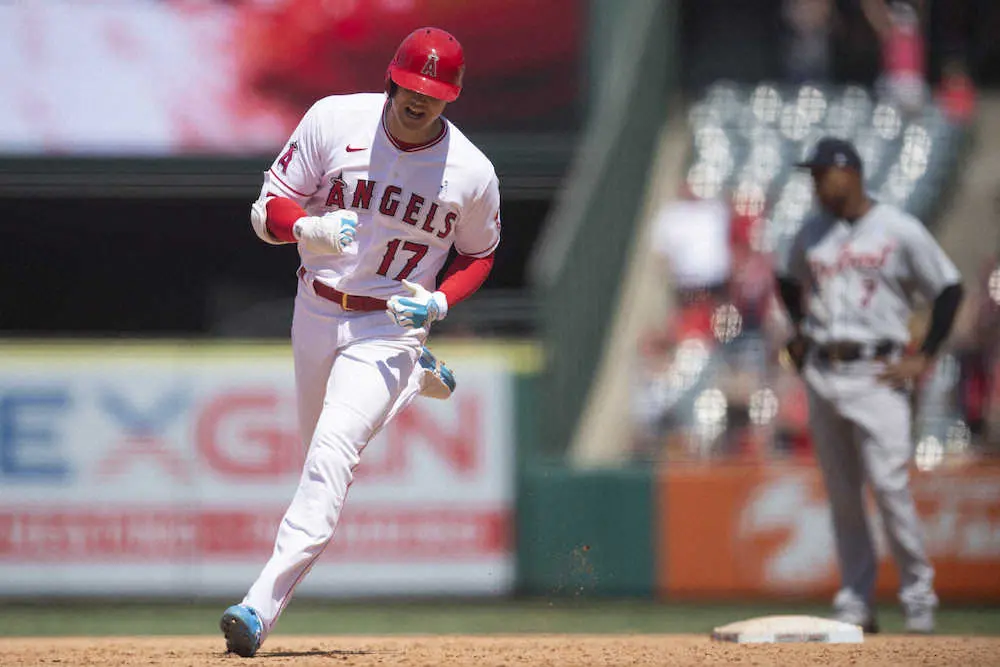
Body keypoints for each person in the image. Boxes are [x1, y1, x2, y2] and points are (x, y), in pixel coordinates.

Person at [219, 27, 501, 658]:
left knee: (330, 456)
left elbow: (480, 254)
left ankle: (258, 606)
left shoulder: (473, 171)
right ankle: (411, 378)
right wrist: (310, 227)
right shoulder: (333, 119)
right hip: (316, 310)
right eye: (413, 87)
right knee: (313, 447)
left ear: (451, 97)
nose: (420, 100)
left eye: (435, 92)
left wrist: (439, 300)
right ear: (392, 78)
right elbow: (266, 211)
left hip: (389, 325)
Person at [776, 137, 963, 634]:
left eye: (823, 173)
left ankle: (918, 599)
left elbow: (948, 288)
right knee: (841, 494)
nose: (816, 183)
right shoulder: (812, 232)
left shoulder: (898, 228)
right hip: (823, 369)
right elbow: (786, 279)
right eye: (812, 175)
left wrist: (923, 357)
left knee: (890, 488)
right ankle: (856, 601)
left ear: (851, 172)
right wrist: (797, 330)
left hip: (878, 373)